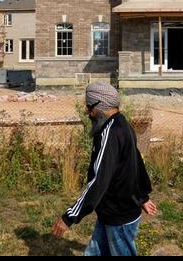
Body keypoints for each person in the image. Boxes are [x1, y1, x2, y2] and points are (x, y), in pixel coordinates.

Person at [51, 81, 157, 256]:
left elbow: (98, 182)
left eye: (90, 107)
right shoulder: (122, 124)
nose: (88, 112)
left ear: (101, 105)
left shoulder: (110, 133)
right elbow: (134, 162)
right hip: (111, 212)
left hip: (119, 216)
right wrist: (142, 197)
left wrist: (69, 217)